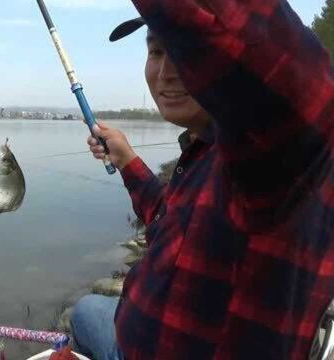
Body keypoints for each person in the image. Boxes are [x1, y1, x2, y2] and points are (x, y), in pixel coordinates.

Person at [70, 0, 334, 359]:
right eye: (156, 51)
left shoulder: (274, 158)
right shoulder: (204, 149)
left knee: (85, 313)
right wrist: (127, 159)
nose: (165, 72)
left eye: (181, 51)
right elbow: (175, 222)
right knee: (86, 310)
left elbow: (292, 76)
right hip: (133, 338)